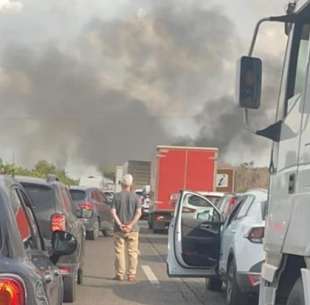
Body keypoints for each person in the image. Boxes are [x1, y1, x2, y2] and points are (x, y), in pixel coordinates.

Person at [111, 174, 142, 282]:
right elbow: (138, 213)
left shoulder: (116, 196)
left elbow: (113, 212)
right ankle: (131, 275)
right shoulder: (136, 197)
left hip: (118, 230)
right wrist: (130, 225)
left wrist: (120, 224)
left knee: (119, 252)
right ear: (131, 184)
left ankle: (120, 274)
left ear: (121, 184)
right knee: (133, 252)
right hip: (133, 230)